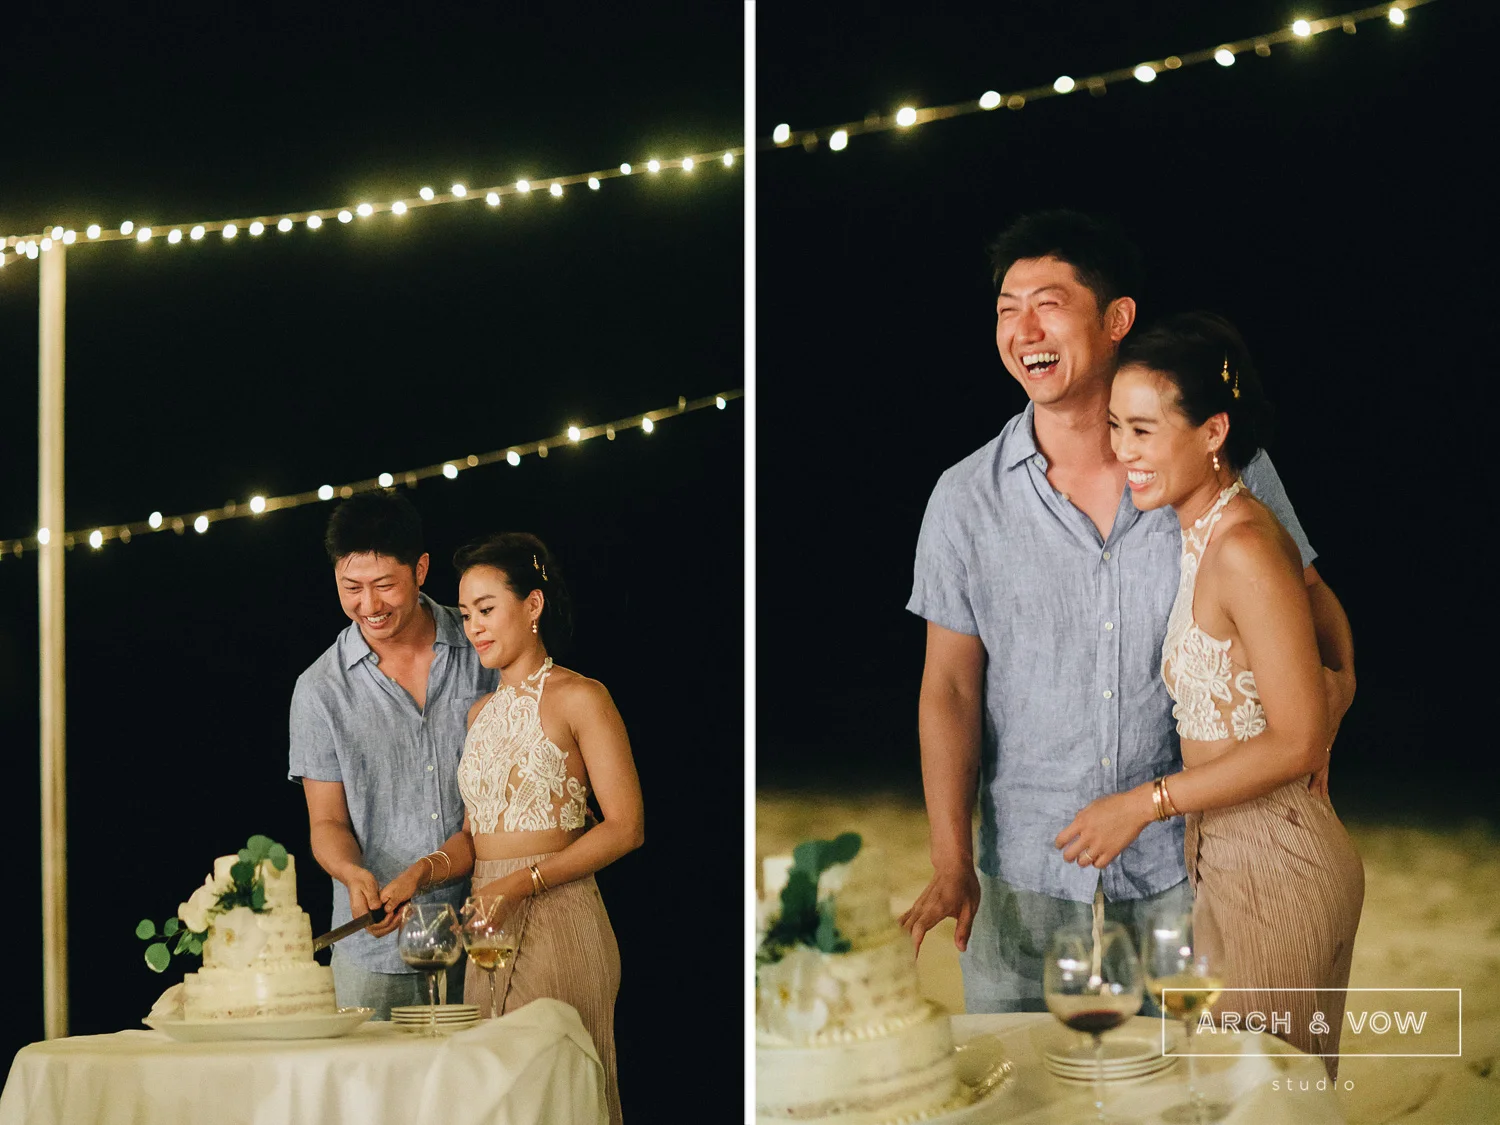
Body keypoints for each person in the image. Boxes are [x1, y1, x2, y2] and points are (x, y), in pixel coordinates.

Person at [899, 210, 1356, 1014]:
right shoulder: (964, 498)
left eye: (1049, 304)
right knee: (1015, 1080)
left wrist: (1330, 706)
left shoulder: (1208, 462)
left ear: (1117, 319)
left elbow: (1312, 602)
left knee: (1199, 1076)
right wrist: (950, 858)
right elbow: (951, 687)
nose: (1023, 330)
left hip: (1183, 868)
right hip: (1026, 874)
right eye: (1007, 309)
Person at [1054, 312, 1363, 1074]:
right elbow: (1315, 611)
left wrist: (1142, 803)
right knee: (1271, 1098)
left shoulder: (1244, 544)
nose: (1123, 450)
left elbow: (1295, 740)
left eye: (1144, 430)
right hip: (1232, 858)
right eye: (1117, 426)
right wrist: (1340, 683)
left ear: (1213, 431)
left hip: (1274, 863)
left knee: (1259, 1099)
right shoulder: (1208, 530)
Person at [379, 532, 643, 1125]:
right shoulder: (479, 713)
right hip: (487, 929)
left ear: (533, 605)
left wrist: (520, 884)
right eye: (467, 614)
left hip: (558, 917)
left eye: (487, 609)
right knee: (494, 1105)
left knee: (557, 1101)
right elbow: (474, 839)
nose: (474, 628)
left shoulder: (582, 696)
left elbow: (626, 828)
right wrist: (422, 873)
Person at [288, 492, 497, 1018]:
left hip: (489, 932)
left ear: (420, 569)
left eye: (385, 585)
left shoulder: (484, 649)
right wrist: (351, 872)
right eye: (351, 588)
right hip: (376, 955)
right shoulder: (319, 690)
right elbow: (327, 821)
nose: (369, 605)